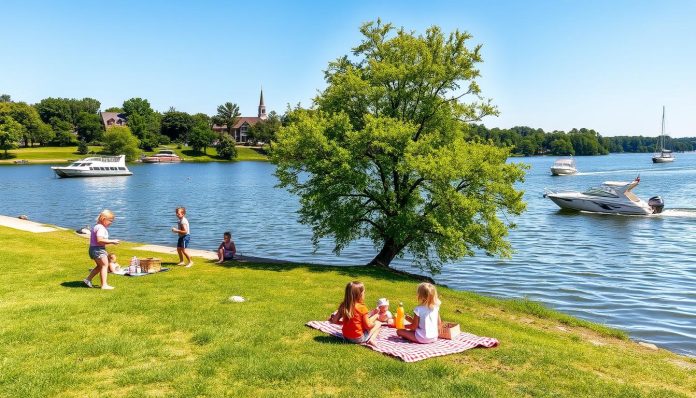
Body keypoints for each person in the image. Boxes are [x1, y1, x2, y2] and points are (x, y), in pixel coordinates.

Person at [328, 281, 382, 346]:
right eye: (364, 292)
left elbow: (334, 321)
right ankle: (371, 339)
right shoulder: (362, 308)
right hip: (358, 339)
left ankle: (375, 319)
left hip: (345, 336)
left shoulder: (344, 305)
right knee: (378, 324)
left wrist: (344, 323)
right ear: (360, 294)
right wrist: (375, 322)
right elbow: (368, 326)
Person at [83, 210, 120, 290]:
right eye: (110, 221)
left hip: (93, 249)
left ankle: (87, 280)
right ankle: (104, 285)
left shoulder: (97, 226)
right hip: (98, 250)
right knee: (104, 266)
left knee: (100, 266)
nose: (111, 223)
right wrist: (112, 241)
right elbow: (99, 240)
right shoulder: (101, 228)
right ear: (103, 219)